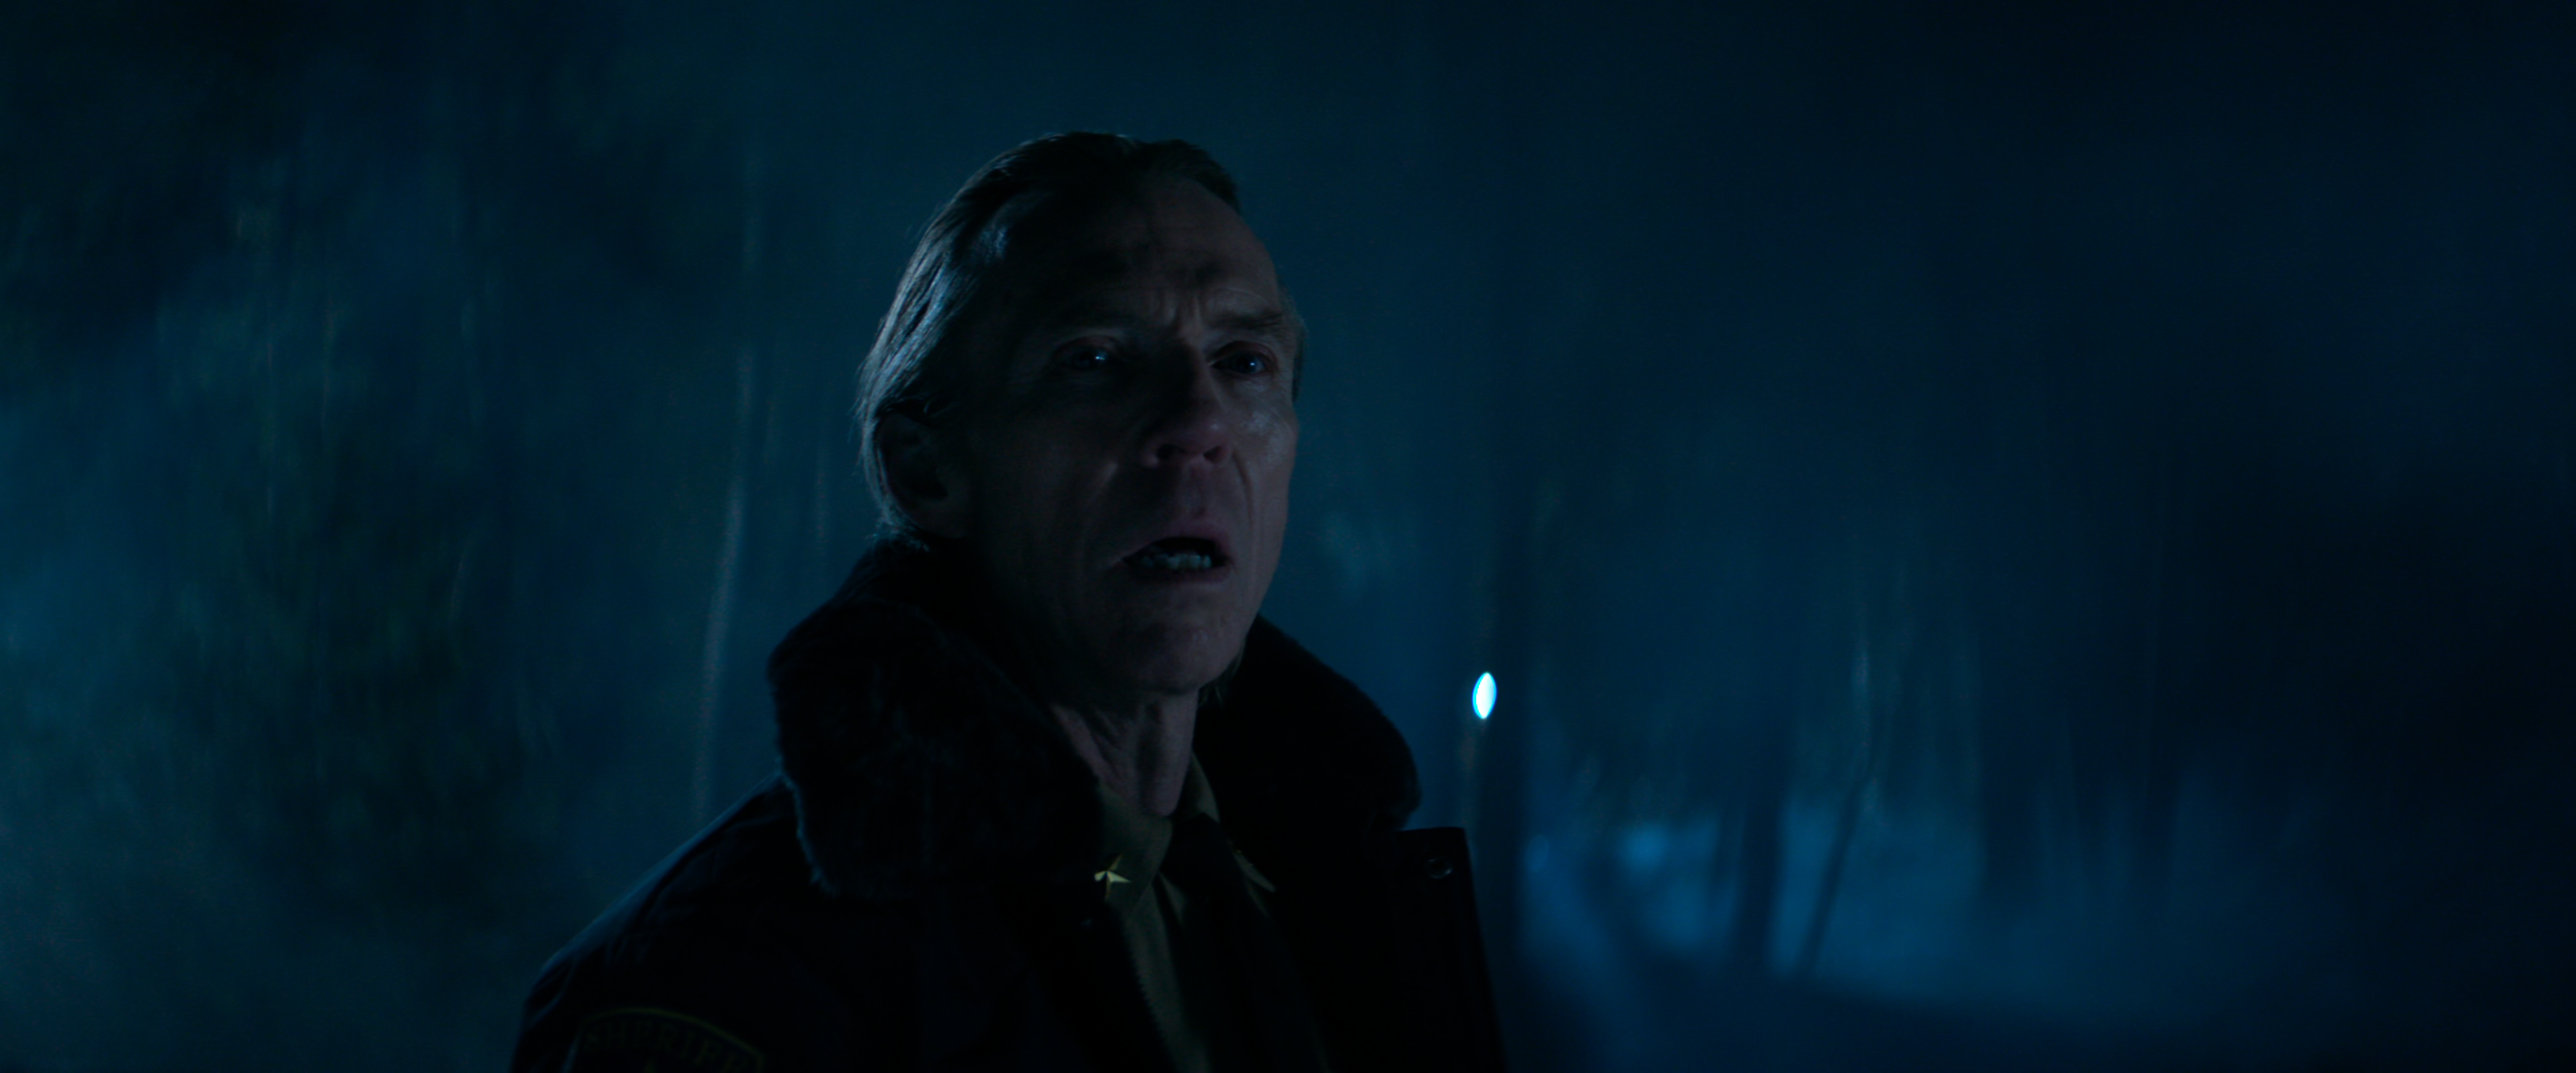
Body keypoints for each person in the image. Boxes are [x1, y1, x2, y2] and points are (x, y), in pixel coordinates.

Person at [510, 132, 1505, 1073]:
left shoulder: (1342, 893)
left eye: (1245, 362)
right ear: (926, 470)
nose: (1199, 422)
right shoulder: (726, 974)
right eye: (1095, 360)